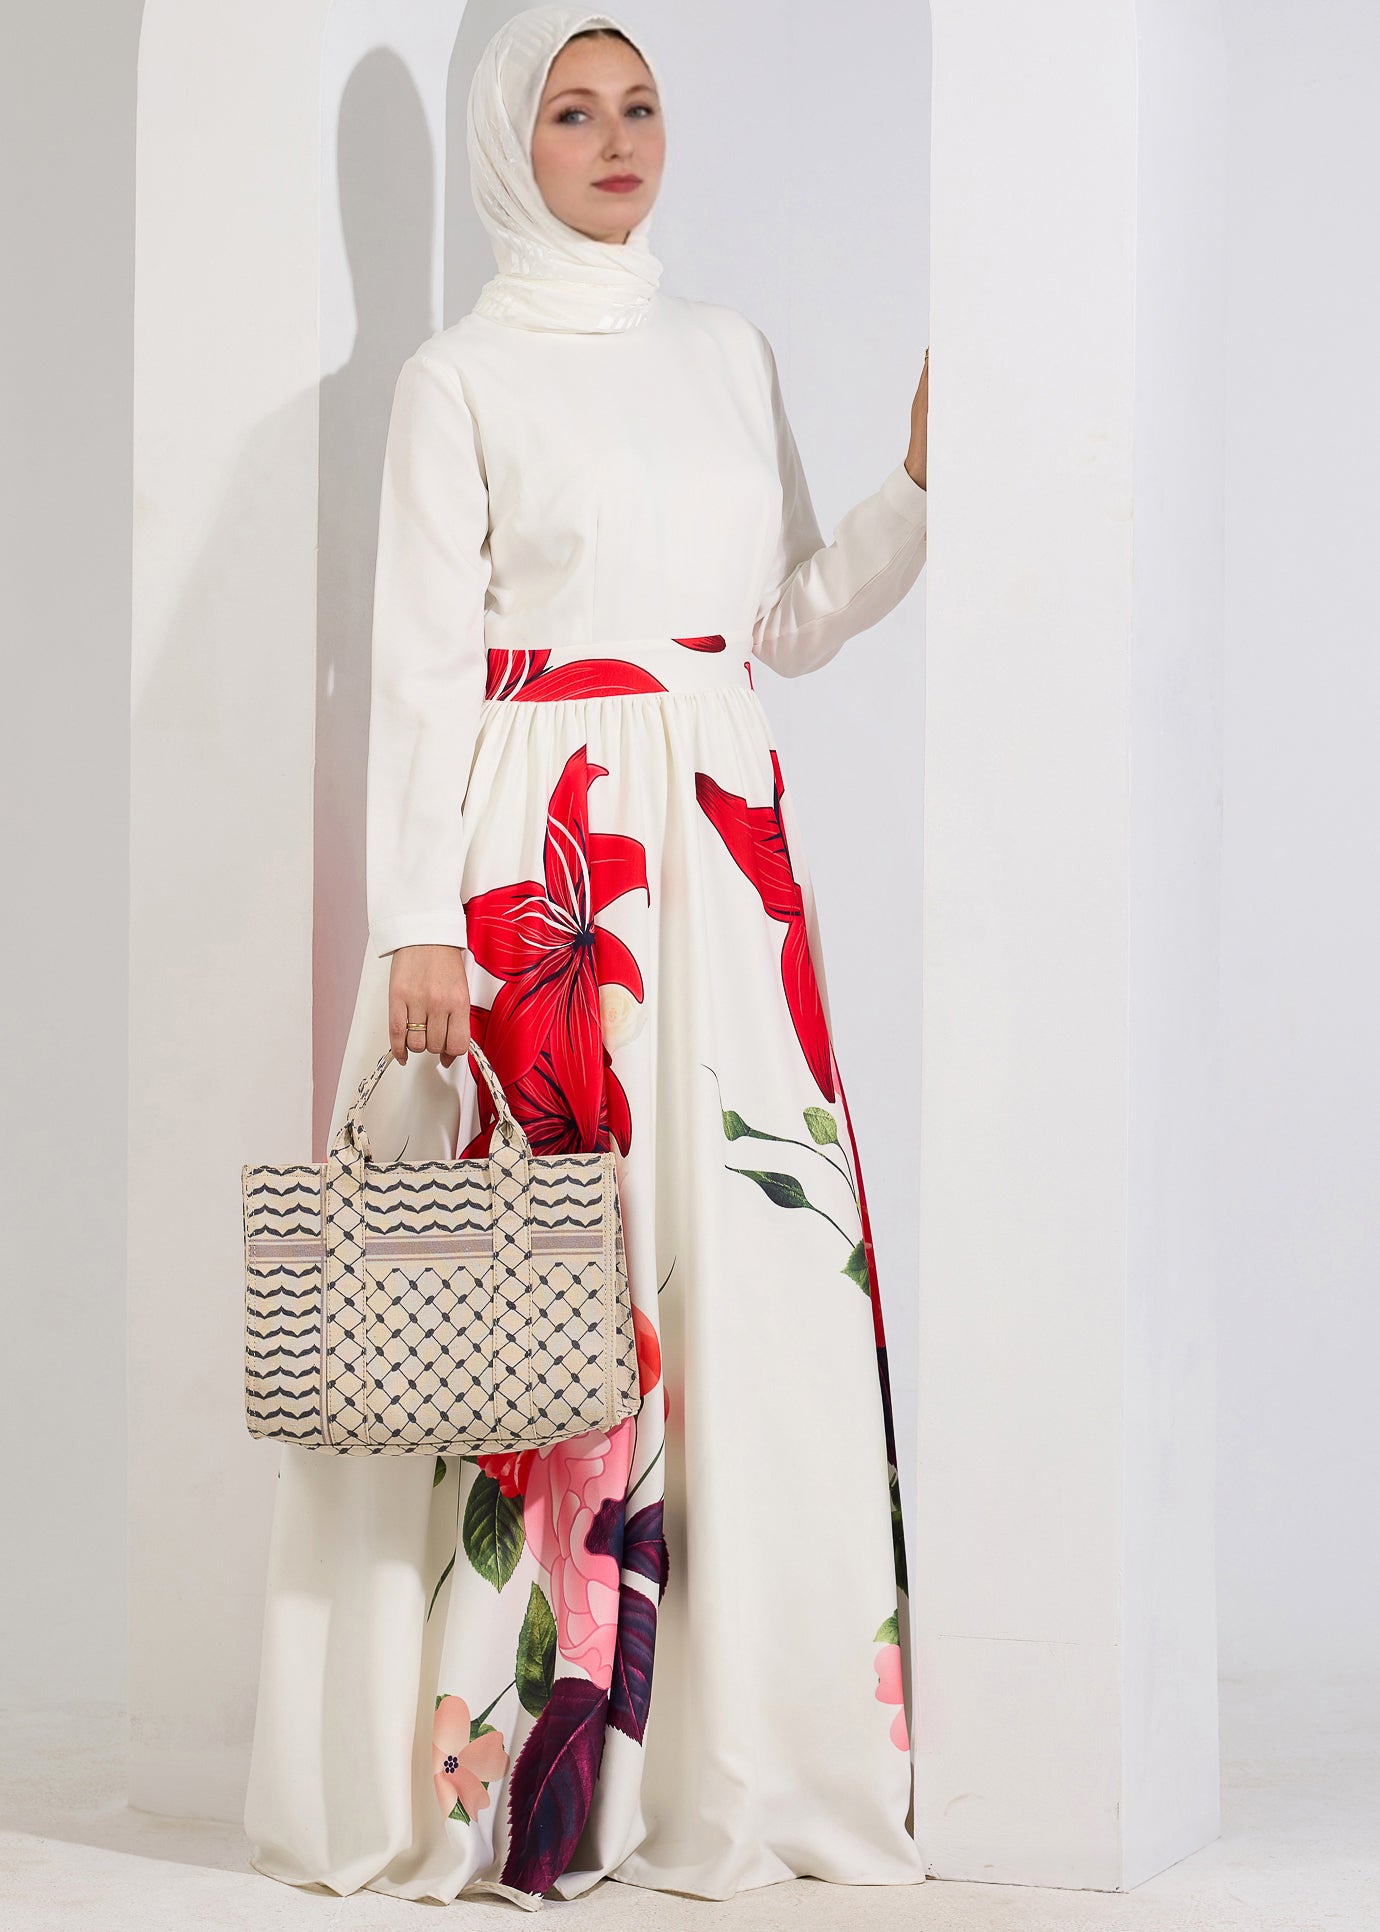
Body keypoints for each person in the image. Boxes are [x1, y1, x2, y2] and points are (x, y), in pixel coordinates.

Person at [243, 3, 930, 1910]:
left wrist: (916, 497)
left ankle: (750, 1745)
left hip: (718, 853)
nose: (618, 139)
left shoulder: (730, 354)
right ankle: (526, 1772)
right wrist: (412, 923)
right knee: (548, 1318)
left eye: (641, 107)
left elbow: (780, 619)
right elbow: (416, 670)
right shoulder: (460, 379)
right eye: (574, 109)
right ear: (509, 143)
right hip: (546, 871)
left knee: (753, 1285)